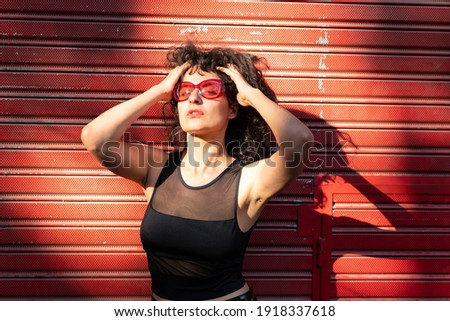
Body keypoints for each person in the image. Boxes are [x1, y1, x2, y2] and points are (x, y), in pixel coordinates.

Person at [81, 42, 314, 301]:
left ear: (233, 108)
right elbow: (95, 138)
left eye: (210, 89)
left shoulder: (249, 180)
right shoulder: (157, 169)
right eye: (184, 91)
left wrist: (251, 95)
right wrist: (159, 90)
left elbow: (299, 141)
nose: (194, 98)